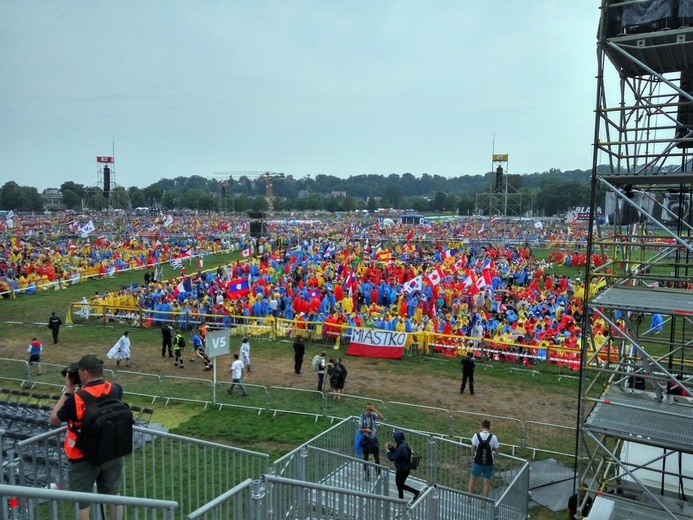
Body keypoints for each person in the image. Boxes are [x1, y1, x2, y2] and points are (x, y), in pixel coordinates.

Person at [49, 354, 125, 520]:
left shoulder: (76, 399)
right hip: (112, 451)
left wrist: (68, 390)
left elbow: (54, 420)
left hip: (82, 456)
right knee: (114, 495)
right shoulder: (115, 389)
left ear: (84, 374)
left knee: (82, 502)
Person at [468, 419, 500, 498]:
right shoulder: (493, 437)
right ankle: (484, 501)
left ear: (481, 426)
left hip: (477, 462)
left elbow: (472, 448)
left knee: (472, 478)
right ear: (489, 427)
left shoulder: (476, 436)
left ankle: (469, 497)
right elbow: (497, 450)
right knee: (486, 482)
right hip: (489, 463)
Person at [386, 430, 420, 501]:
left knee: (399, 485)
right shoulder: (403, 445)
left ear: (397, 439)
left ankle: (404, 498)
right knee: (400, 485)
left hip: (402, 469)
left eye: (395, 438)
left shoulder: (401, 447)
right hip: (405, 468)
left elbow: (393, 457)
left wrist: (388, 451)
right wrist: (392, 448)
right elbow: (397, 453)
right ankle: (404, 497)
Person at [359, 403, 383, 480]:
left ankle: (378, 475)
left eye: (370, 410)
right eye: (368, 409)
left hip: (374, 438)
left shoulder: (373, 415)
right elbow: (360, 429)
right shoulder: (362, 417)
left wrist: (374, 409)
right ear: (365, 409)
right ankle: (367, 475)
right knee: (365, 458)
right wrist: (366, 430)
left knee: (377, 458)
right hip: (366, 439)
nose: (369, 411)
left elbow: (381, 417)